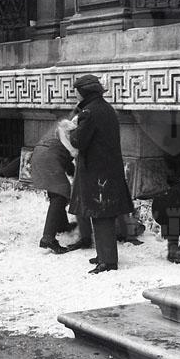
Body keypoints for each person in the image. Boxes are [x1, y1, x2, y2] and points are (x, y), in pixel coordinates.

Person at [68, 74, 134, 274]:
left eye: (76, 91)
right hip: (108, 168)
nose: (75, 94)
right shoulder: (106, 108)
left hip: (97, 171)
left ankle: (108, 261)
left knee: (101, 215)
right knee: (103, 214)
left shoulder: (88, 112)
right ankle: (103, 255)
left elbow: (79, 141)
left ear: (84, 92)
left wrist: (72, 128)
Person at [32, 118, 79, 254]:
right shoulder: (74, 131)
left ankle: (62, 225)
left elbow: (65, 156)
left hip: (41, 154)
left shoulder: (64, 128)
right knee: (60, 193)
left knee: (57, 191)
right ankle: (48, 238)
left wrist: (72, 171)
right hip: (49, 157)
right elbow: (70, 152)